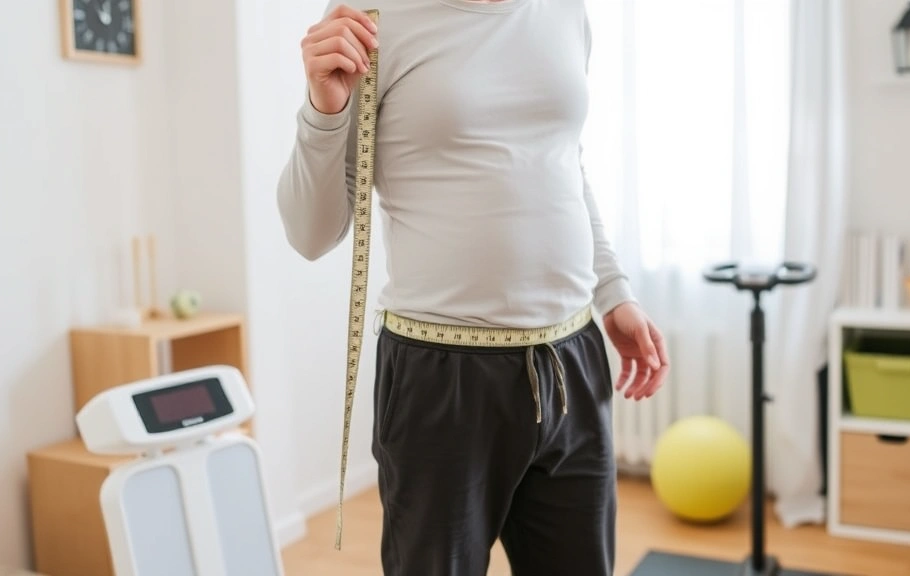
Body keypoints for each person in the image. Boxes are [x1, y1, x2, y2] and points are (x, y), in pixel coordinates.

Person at [277, 0, 669, 574]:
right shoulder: (375, 21)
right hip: (442, 379)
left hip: (572, 361)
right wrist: (324, 108)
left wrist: (612, 291)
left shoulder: (566, 11)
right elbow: (311, 235)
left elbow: (563, 161)